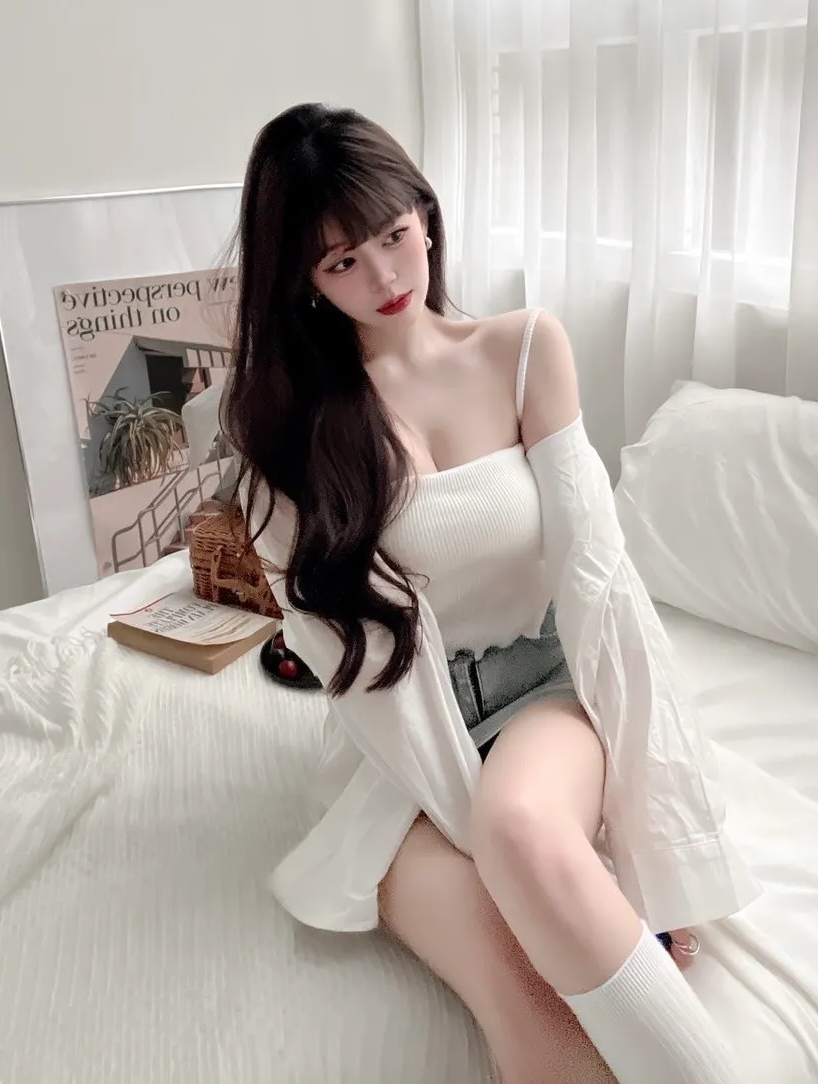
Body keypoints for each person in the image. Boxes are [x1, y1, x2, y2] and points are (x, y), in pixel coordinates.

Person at [222, 104, 760, 1084]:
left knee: (520, 829)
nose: (385, 276)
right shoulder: (286, 435)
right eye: (343, 261)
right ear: (303, 280)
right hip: (397, 741)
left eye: (394, 234)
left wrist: (651, 854)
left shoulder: (523, 349)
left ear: (425, 215)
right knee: (515, 979)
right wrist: (543, 893)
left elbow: (602, 588)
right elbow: (352, 664)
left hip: (542, 690)